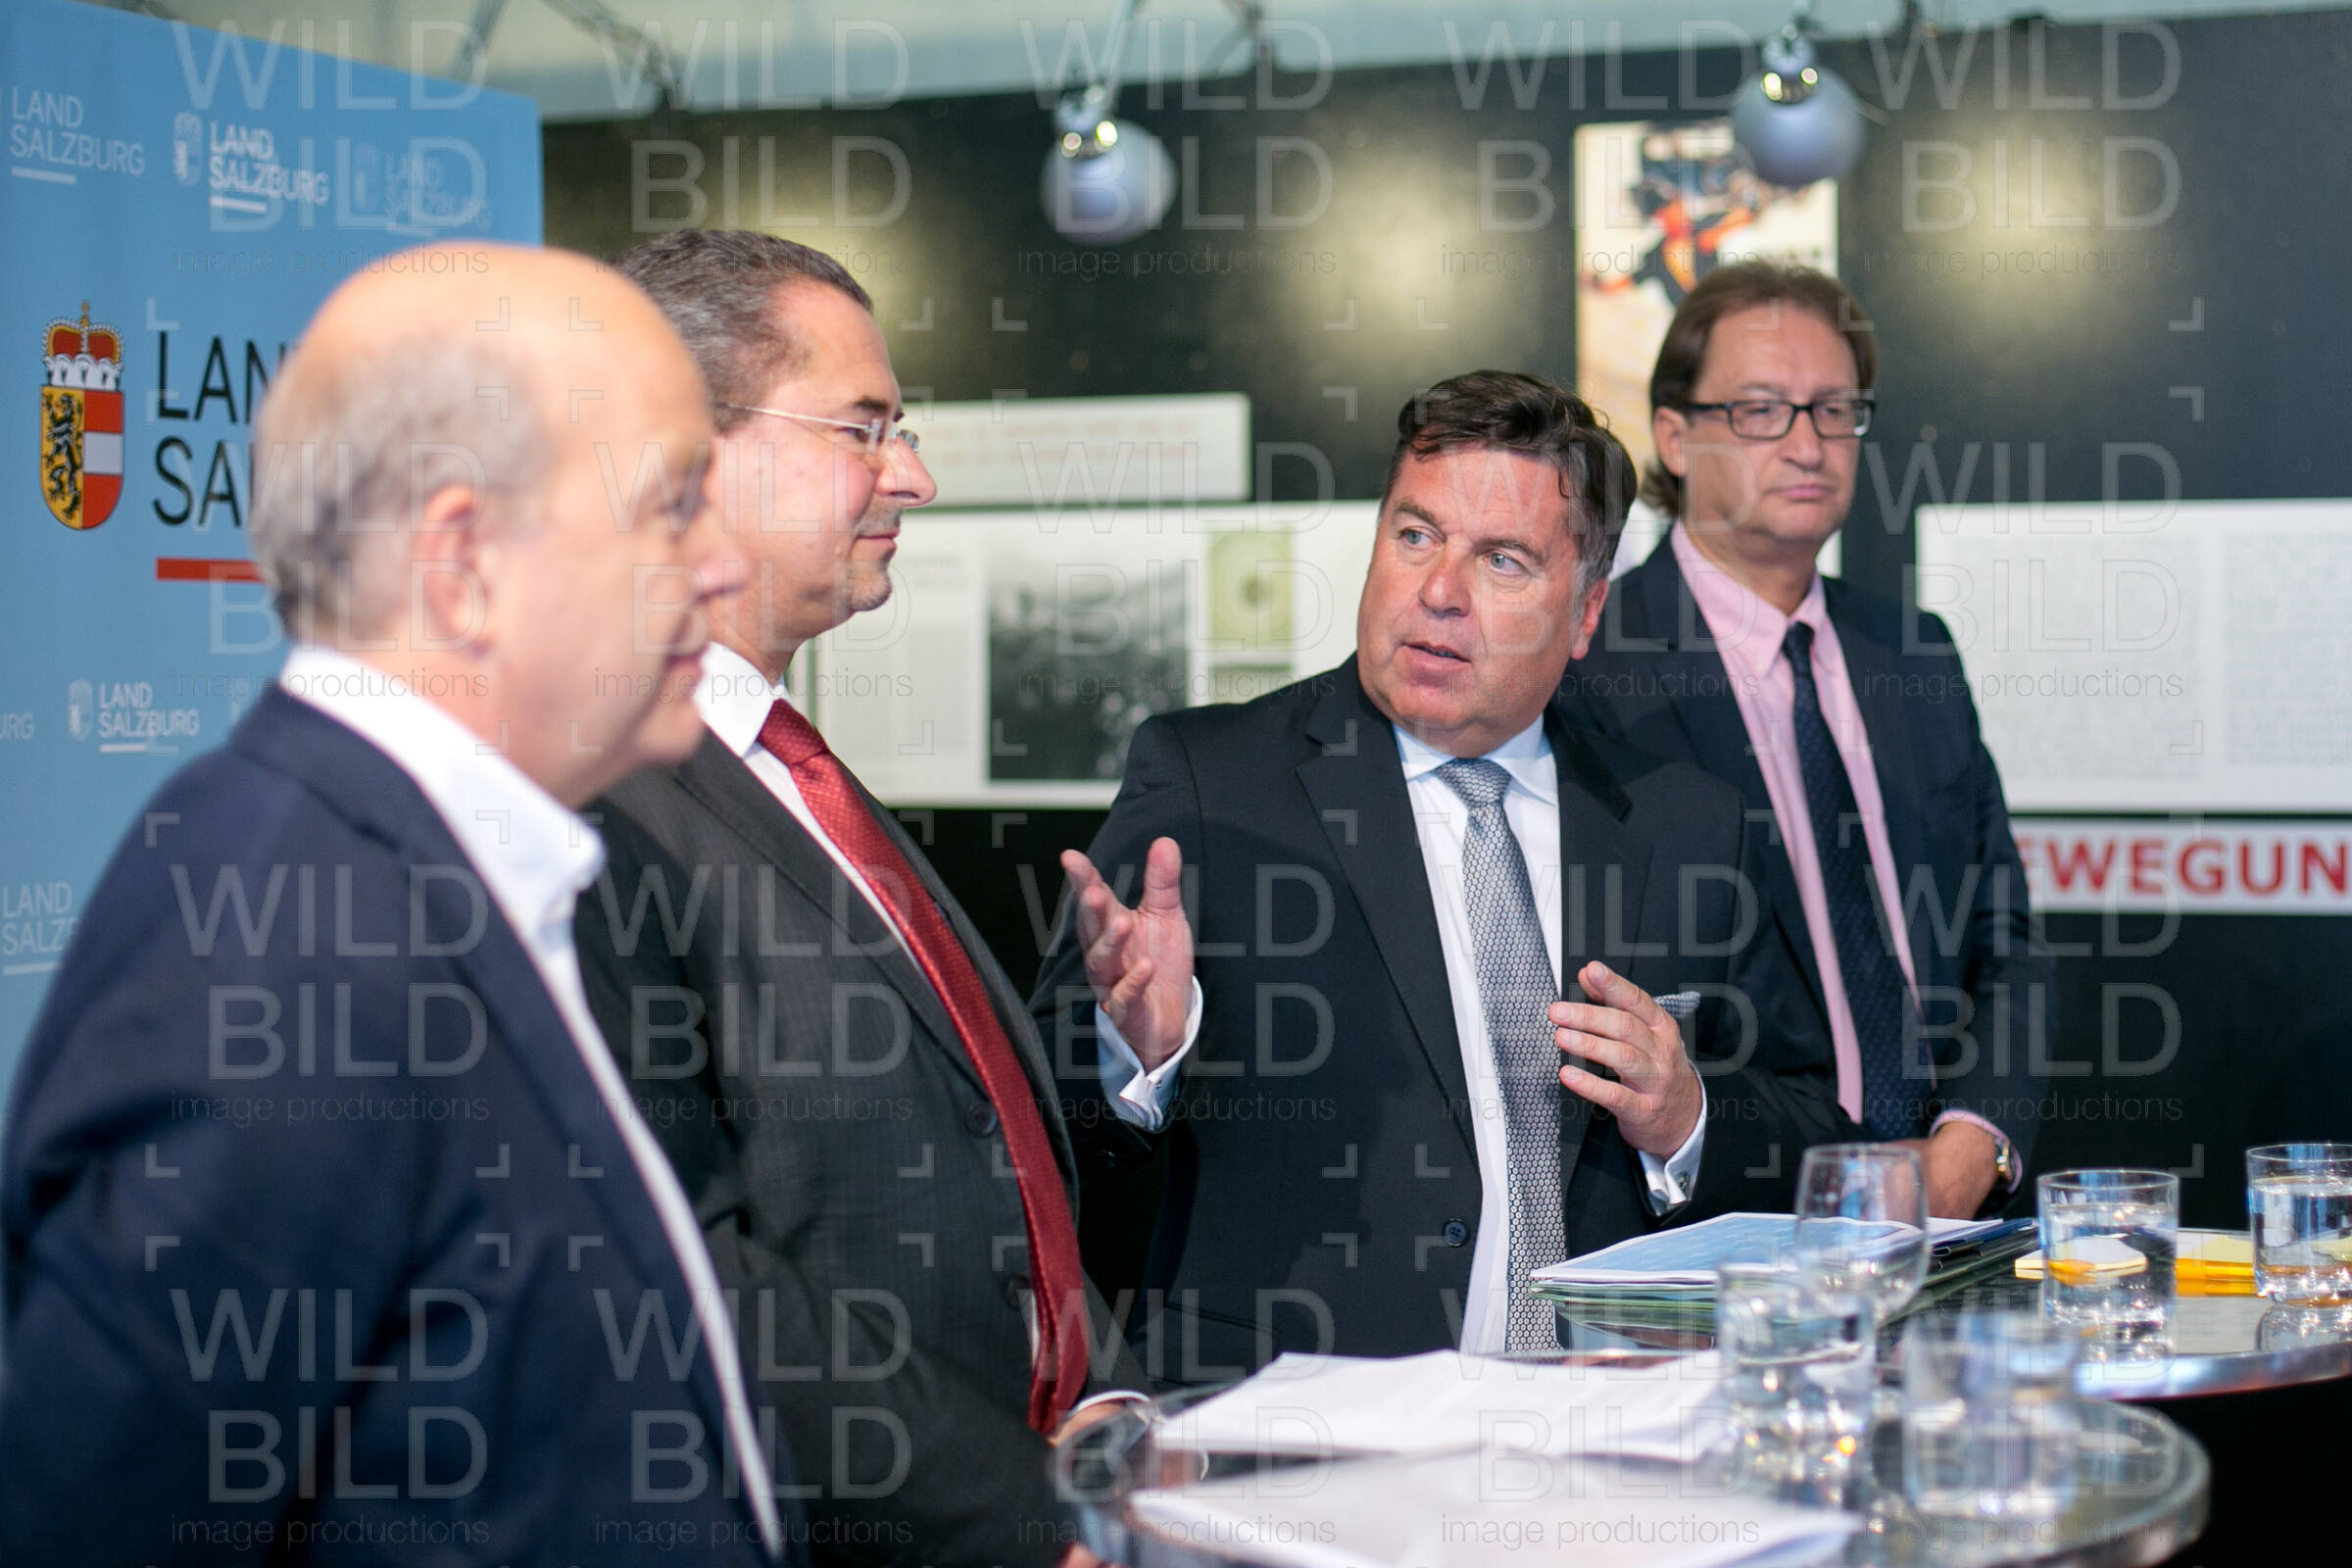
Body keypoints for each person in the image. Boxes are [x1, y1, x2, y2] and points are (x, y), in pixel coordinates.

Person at [0, 246, 789, 1563]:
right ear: (462, 563)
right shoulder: (290, 944)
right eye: (670, 506)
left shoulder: (434, 878)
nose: (721, 563)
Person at [1030, 371, 1847, 1376]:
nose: (1439, 592)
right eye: (1416, 535)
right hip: (1296, 1427)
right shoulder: (1213, 784)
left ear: (1585, 614)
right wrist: (1134, 1053)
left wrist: (1688, 1117)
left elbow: (1813, 1128)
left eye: (1502, 560)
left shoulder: (1689, 823)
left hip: (1610, 1423)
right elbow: (1026, 1125)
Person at [571, 229, 1141, 1568]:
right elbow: (686, 1275)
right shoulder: (590, 797)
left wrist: (1101, 1402)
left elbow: (978, 1154)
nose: (914, 477)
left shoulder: (797, 773)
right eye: (863, 429)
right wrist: (1012, 1518)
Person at [1559, 261, 2051, 1218]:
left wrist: (1973, 1144)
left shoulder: (1913, 654)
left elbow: (2005, 938)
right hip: (1725, 1229)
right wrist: (1831, 1176)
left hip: (1953, 1219)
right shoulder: (1595, 670)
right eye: (1760, 410)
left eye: (1833, 409)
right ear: (1674, 436)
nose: (1807, 443)